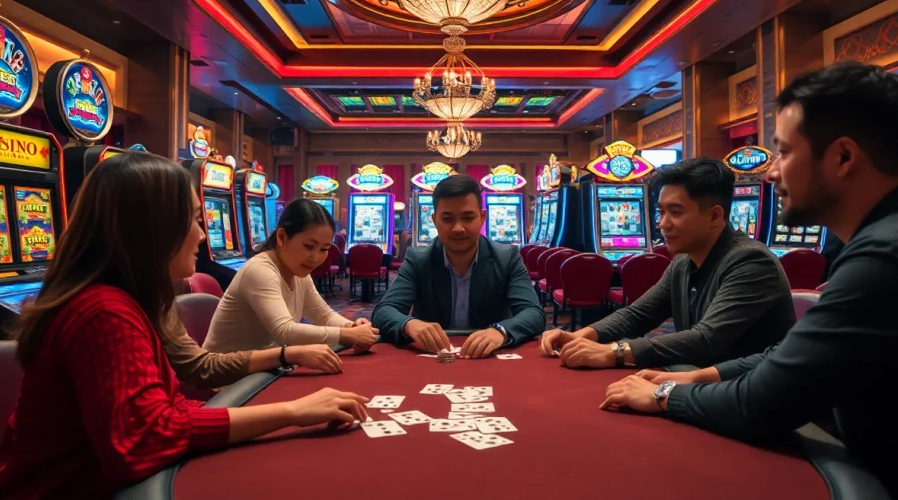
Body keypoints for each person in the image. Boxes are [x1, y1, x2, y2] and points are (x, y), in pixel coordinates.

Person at [599, 63, 898, 499]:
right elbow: (794, 356)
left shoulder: (893, 256)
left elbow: (764, 404)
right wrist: (698, 378)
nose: (771, 173)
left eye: (784, 153)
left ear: (843, 158)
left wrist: (663, 394)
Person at [0, 153, 369, 500]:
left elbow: (176, 393)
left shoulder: (140, 298)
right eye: (192, 218)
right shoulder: (103, 312)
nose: (203, 234)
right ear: (152, 229)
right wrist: (292, 412)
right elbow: (144, 439)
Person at [541, 157, 795, 369]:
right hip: (701, 380)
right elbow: (638, 315)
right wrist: (579, 335)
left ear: (715, 215)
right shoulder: (684, 260)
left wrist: (615, 352)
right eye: (661, 212)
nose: (662, 224)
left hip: (751, 399)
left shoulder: (751, 262)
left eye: (676, 212)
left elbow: (705, 339)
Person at [371, 175, 545, 358]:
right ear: (434, 220)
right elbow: (383, 312)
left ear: (482, 217)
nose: (458, 228)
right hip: (433, 361)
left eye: (468, 218)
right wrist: (410, 325)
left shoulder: (507, 258)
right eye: (447, 219)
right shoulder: (418, 259)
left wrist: (501, 331)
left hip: (488, 360)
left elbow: (533, 313)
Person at [202, 199, 379, 360]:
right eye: (309, 246)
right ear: (282, 237)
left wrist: (352, 326)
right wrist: (347, 335)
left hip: (263, 372)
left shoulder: (297, 271)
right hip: (227, 382)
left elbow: (323, 315)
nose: (316, 258)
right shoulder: (260, 270)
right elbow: (284, 331)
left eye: (324, 249)